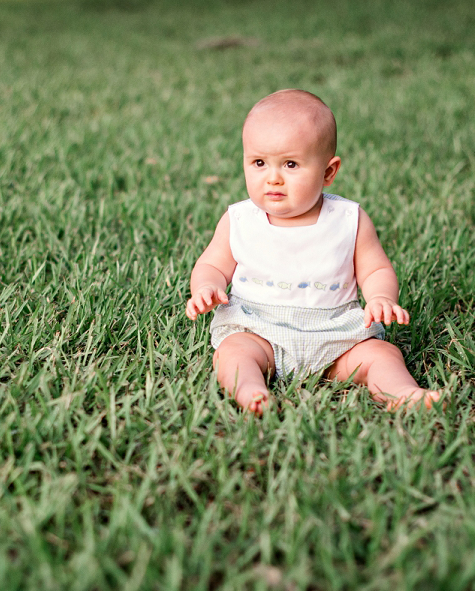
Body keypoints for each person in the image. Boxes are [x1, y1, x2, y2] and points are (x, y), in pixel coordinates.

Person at [185, 89, 441, 414]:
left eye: (290, 164)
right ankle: (251, 392)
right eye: (259, 163)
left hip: (335, 332)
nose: (273, 178)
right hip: (258, 327)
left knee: (381, 354)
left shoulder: (349, 220)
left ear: (328, 172)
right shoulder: (239, 219)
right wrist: (206, 286)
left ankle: (402, 393)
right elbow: (212, 264)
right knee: (233, 353)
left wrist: (380, 298)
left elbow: (375, 269)